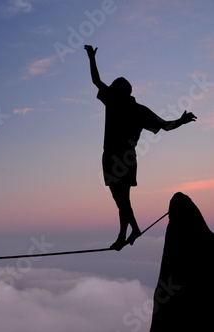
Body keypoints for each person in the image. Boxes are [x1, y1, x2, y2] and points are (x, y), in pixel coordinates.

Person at [84, 45, 197, 251]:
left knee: (120, 200)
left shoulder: (114, 102)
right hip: (126, 158)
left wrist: (91, 58)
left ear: (118, 91)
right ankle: (124, 233)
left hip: (113, 157)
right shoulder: (138, 110)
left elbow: (96, 81)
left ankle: (130, 231)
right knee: (122, 199)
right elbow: (165, 126)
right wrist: (181, 120)